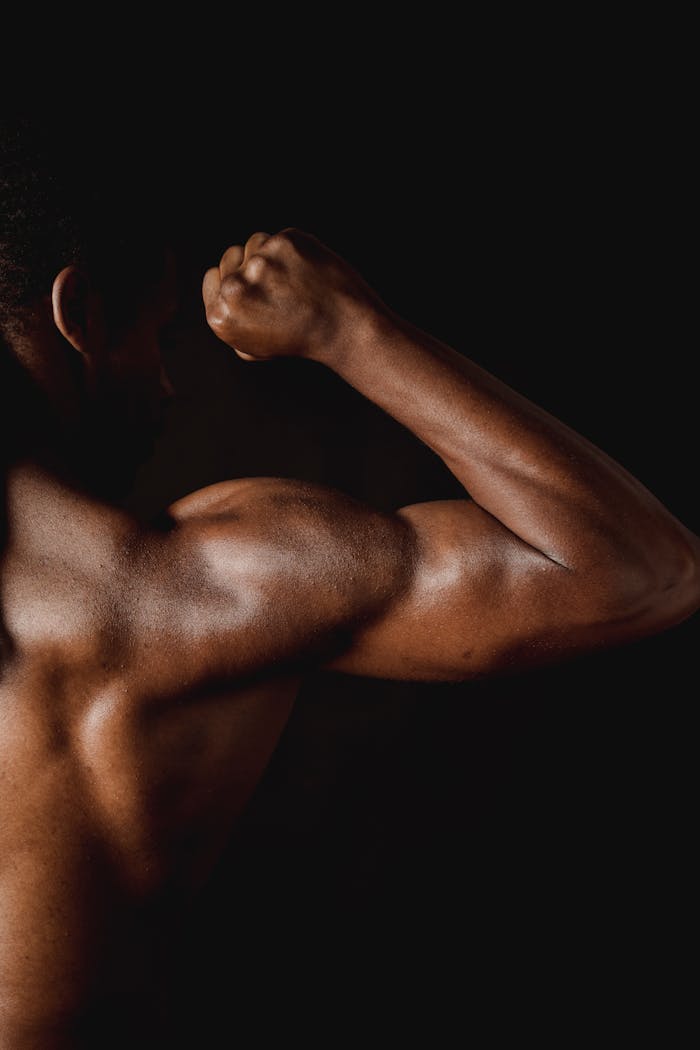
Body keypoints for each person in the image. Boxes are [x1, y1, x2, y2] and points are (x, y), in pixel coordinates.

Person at [0, 126, 698, 1048]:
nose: (166, 388)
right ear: (78, 310)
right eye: (157, 337)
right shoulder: (208, 589)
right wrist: (349, 329)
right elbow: (644, 570)